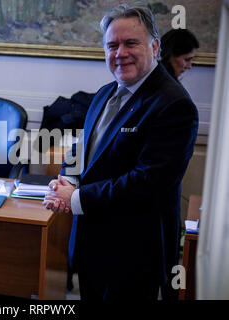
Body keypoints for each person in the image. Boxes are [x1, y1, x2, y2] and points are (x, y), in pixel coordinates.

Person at [44, 4, 198, 300]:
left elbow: (149, 182)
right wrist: (67, 180)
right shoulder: (105, 93)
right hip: (92, 246)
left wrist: (76, 198)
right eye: (112, 45)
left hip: (133, 256)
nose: (120, 53)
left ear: (154, 46)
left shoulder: (174, 105)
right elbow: (84, 148)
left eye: (131, 43)